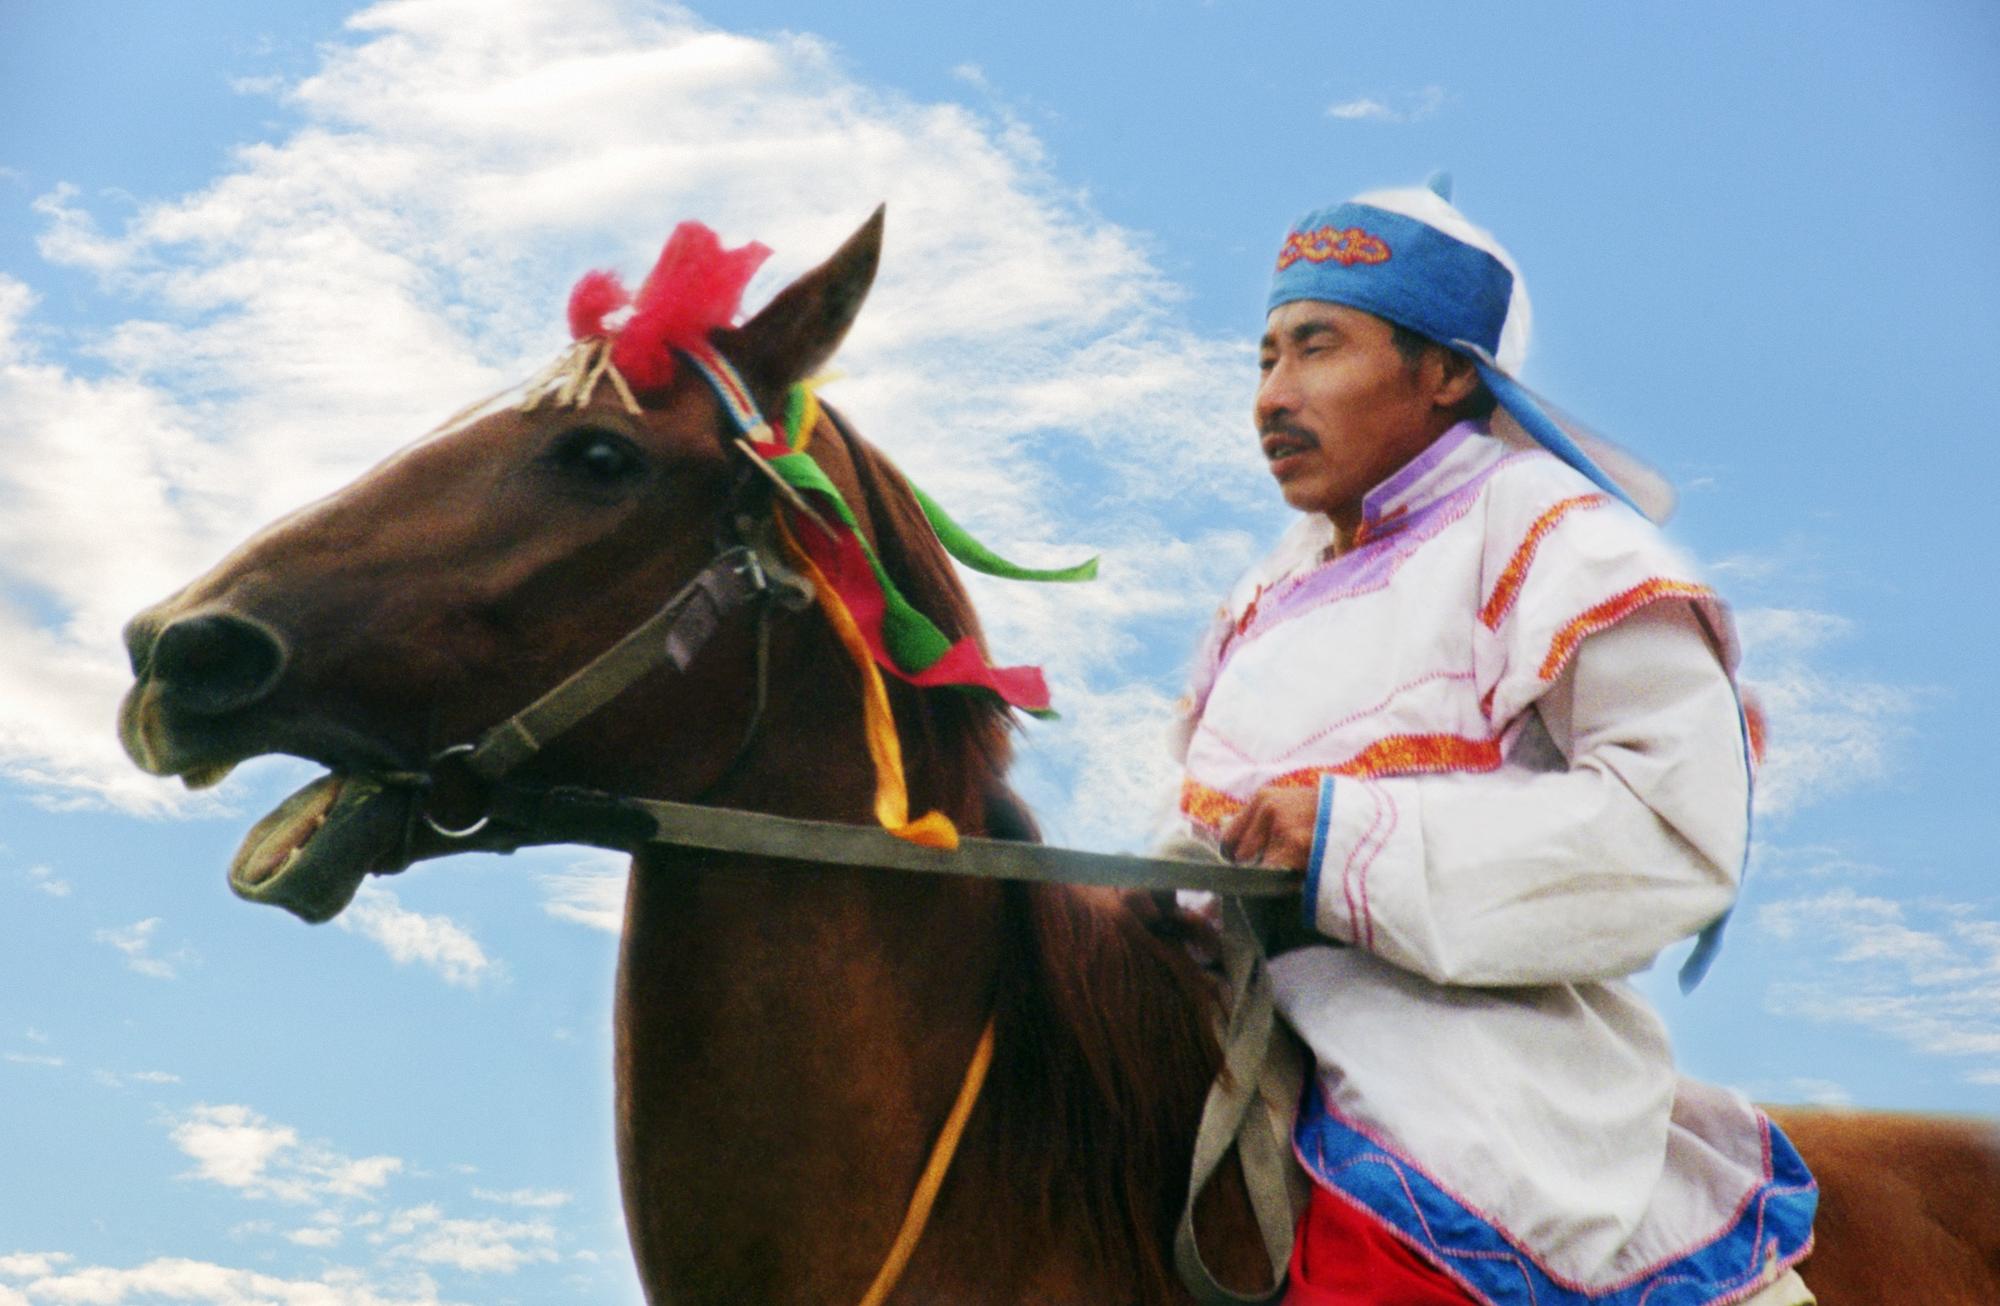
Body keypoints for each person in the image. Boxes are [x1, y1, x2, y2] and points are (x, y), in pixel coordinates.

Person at [1164, 179, 1818, 1304]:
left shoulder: (1557, 537)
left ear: (1447, 371)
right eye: (1263, 357)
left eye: (1315, 348)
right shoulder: (1257, 597)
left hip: (1472, 1096)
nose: (1271, 396)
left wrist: (1345, 840)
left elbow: (1673, 834)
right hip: (1241, 1046)